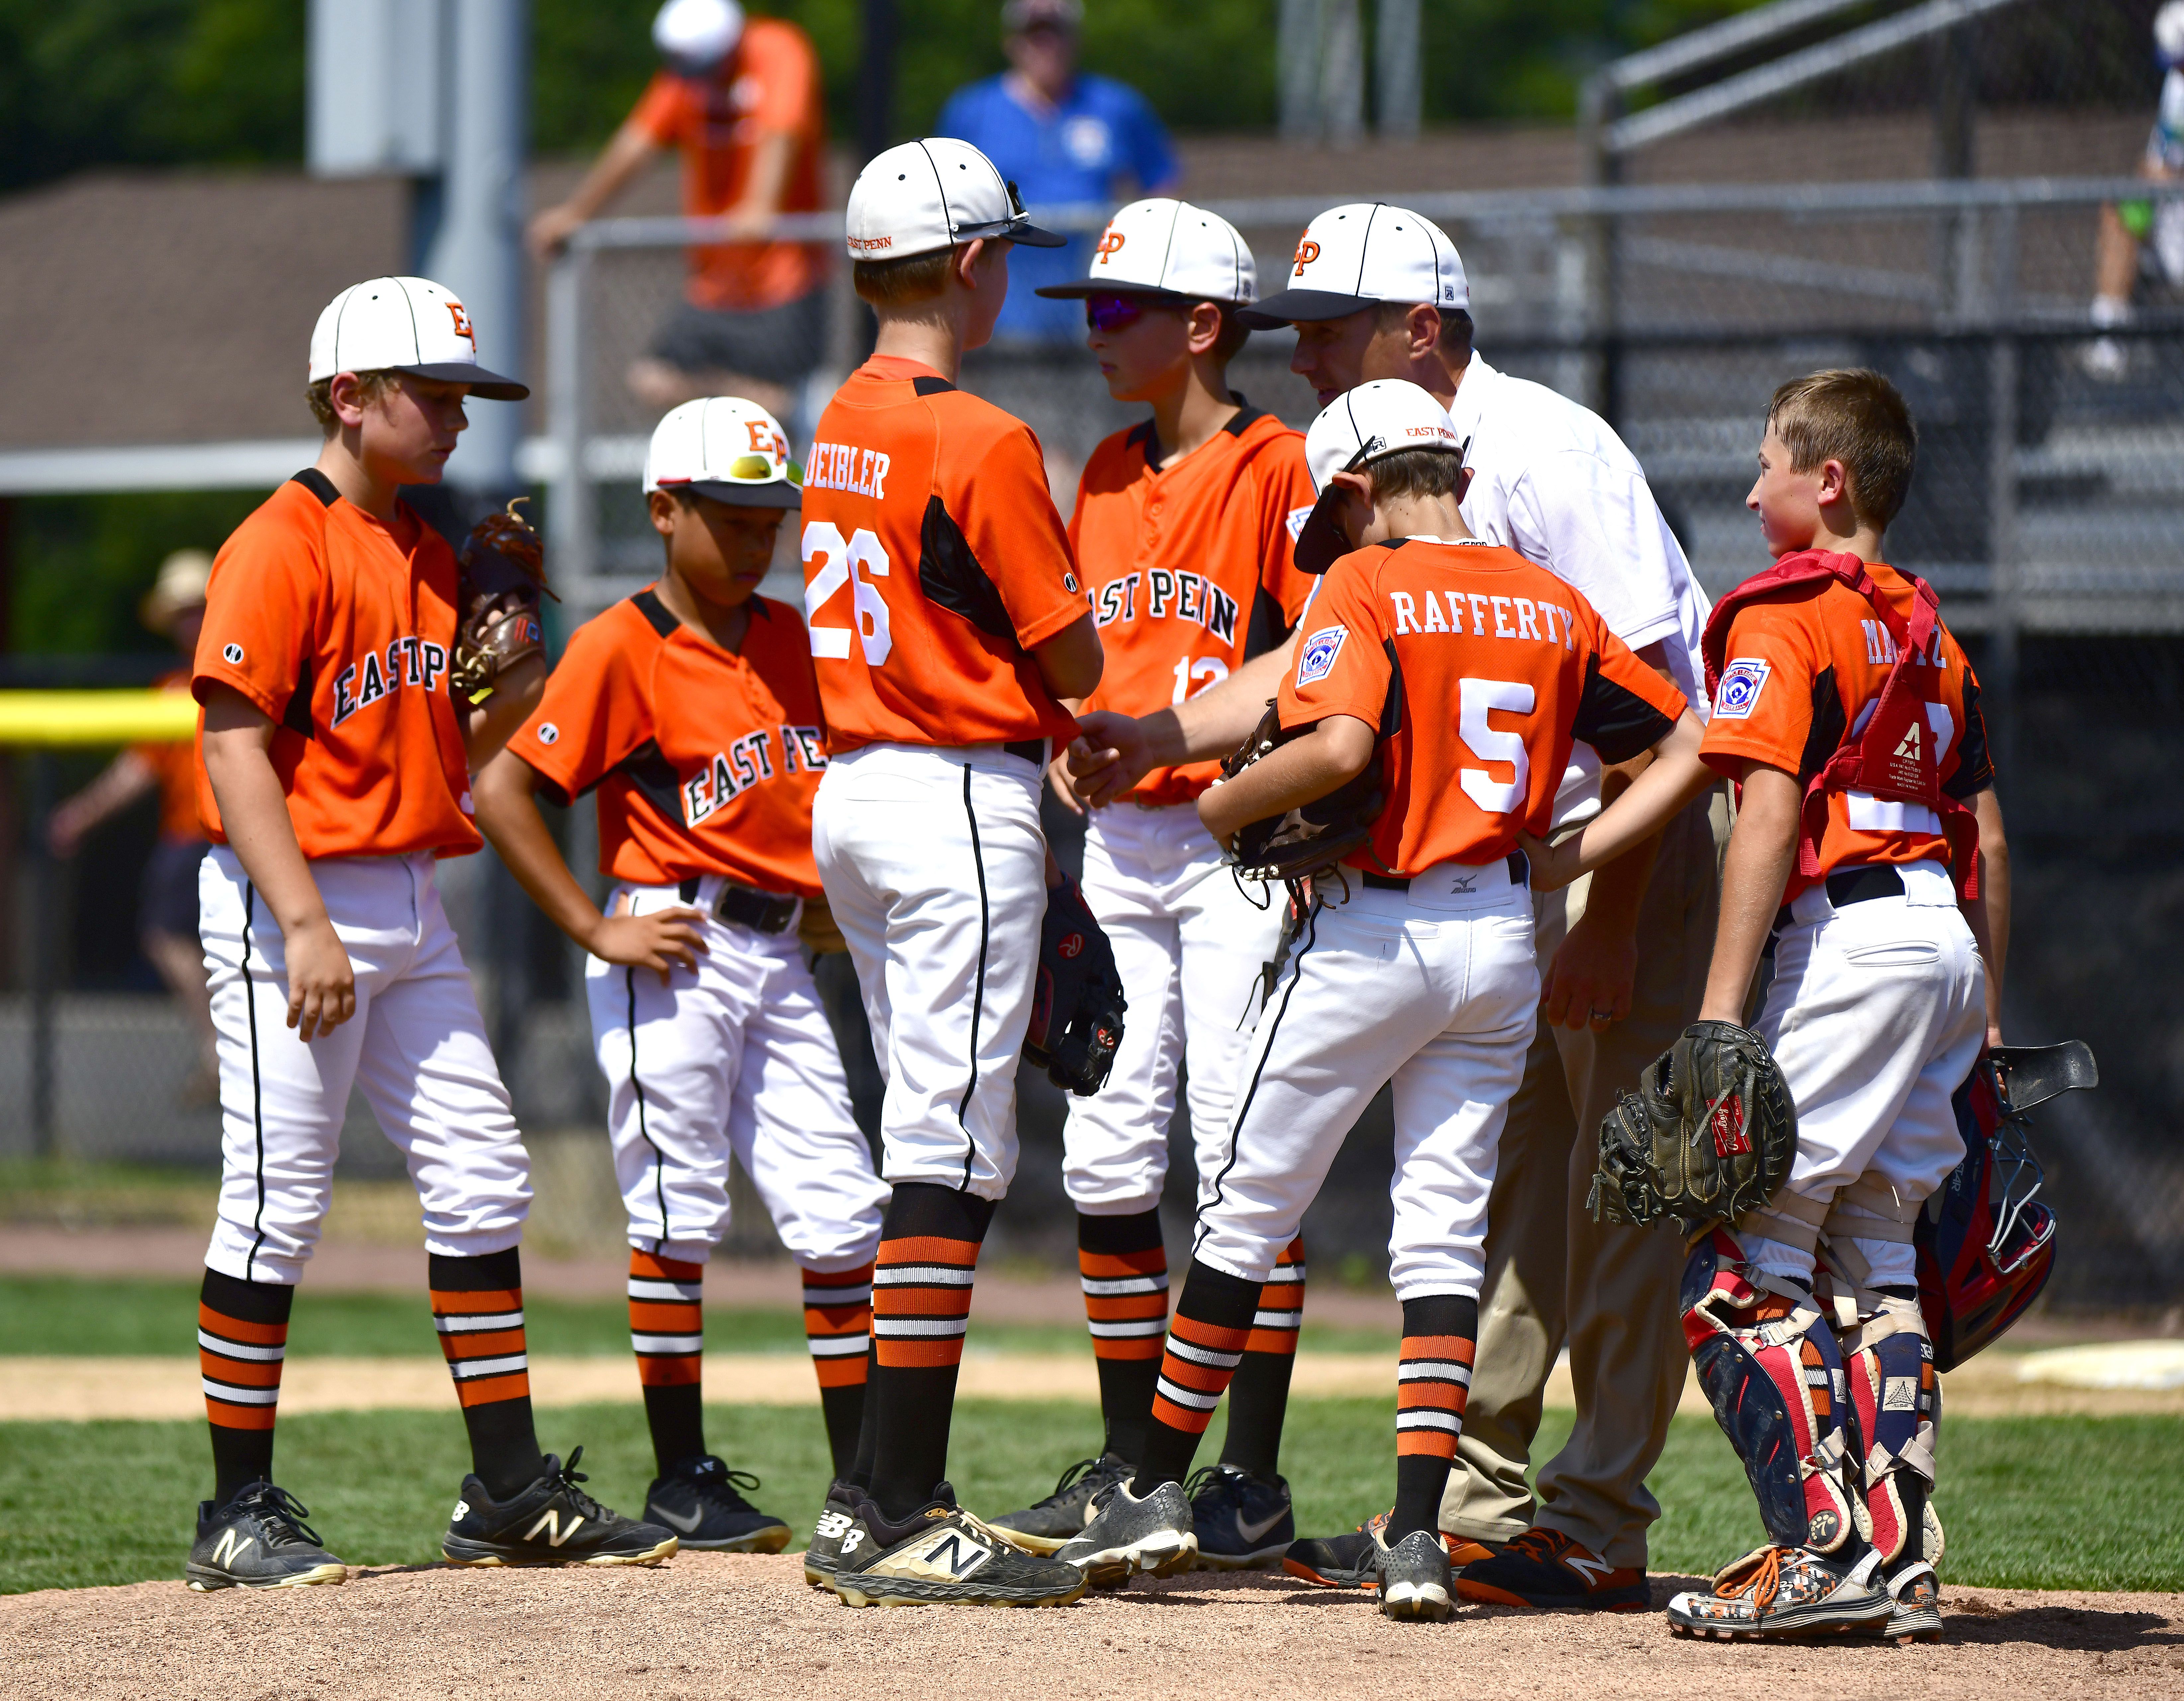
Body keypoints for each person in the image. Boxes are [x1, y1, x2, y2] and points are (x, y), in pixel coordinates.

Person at [1068, 201, 1723, 1609]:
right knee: (1465, 1211)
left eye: (1328, 333)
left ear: (1415, 335)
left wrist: (1218, 804)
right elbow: (1668, 720)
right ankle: (1446, 1515)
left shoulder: (1539, 459)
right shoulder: (1498, 578)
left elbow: (1339, 735)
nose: (1301, 359)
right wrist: (1166, 734)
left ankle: (1157, 1493)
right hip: (1505, 901)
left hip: (1472, 896)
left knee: (1273, 1196)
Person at [184, 275, 676, 1591]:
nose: (459, 419)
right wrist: (299, 922)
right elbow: (234, 749)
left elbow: (447, 747)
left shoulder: (428, 549)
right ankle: (236, 1507)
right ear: (350, 397)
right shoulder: (276, 545)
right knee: (278, 1204)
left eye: (466, 397)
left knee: (480, 1176)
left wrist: (514, 676)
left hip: (410, 895)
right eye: (434, 394)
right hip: (292, 898)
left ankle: (507, 1488)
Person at [1518, 368, 2005, 1643]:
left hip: (1839, 948)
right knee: (1876, 1256)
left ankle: (1821, 1545)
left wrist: (1720, 1012)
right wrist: (1986, 1023)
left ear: (1826, 480)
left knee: (1735, 1252)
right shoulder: (1929, 634)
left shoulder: (1778, 611)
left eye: (1769, 462)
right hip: (1935, 944)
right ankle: (1894, 1554)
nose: (1748, 489)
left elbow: (1766, 804)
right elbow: (1984, 839)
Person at [473, 396, 890, 1555]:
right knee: (677, 1209)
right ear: (664, 510)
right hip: (673, 942)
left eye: (770, 519)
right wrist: (594, 929)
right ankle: (679, 1475)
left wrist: (826, 902)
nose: (757, 540)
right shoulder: (622, 644)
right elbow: (506, 792)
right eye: (731, 516)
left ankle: (868, 1478)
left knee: (843, 1212)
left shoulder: (792, 640)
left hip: (780, 950)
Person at [977, 198, 1320, 1568]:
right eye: (1091, 309)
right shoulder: (1106, 468)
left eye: (1120, 310)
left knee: (1244, 1155)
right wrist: (1071, 752)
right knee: (1108, 1157)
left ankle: (1245, 1476)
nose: (1097, 330)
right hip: (1121, 842)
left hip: (1237, 843)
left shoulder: (1282, 465)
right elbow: (1088, 657)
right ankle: (1136, 1468)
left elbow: (1317, 656)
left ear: (1202, 327)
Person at [799, 136, 1105, 1609]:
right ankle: (894, 1502)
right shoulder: (978, 436)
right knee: (950, 1146)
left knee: (911, 1131)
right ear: (974, 264)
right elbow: (1075, 655)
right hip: (949, 793)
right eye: (1005, 255)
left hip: (852, 793)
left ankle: (871, 1495)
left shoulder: (835, 415)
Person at [528, 0, 830, 419]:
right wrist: (578, 211)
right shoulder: (686, 75)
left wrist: (759, 205)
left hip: (781, 278)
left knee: (778, 407)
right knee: (654, 379)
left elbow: (783, 127)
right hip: (713, 282)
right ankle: (736, 406)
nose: (697, 83)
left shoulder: (776, 49)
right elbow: (639, 140)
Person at [48, 549, 218, 1103]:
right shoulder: (172, 688)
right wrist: (83, 813)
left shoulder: (248, 673)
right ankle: (221, 1051)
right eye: (182, 613)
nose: (190, 622)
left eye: (199, 608)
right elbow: (136, 770)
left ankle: (225, 1053)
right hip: (190, 837)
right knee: (170, 936)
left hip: (232, 835)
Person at [935, 0, 1180, 344]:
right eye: (1034, 34)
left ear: (1075, 38)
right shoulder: (973, 111)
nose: (1046, 46)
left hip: (1095, 314)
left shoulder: (1116, 106)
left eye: (1056, 33)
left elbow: (1161, 182)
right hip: (1002, 318)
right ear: (1012, 42)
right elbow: (942, 200)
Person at [2085, 1, 2184, 380]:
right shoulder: (2176, 88)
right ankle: (2108, 345)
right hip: (2171, 228)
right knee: (2118, 213)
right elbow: (2157, 169)